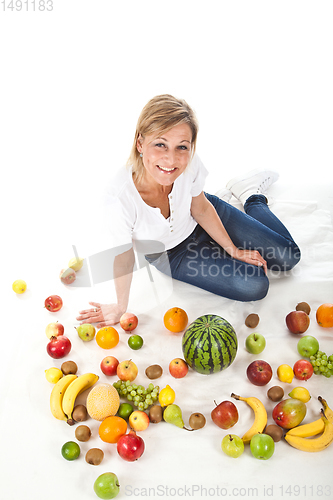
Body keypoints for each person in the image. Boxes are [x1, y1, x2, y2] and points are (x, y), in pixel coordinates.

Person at [76, 94, 300, 327]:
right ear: (140, 143)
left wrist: (233, 250)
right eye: (160, 144)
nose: (171, 159)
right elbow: (123, 257)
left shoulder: (189, 163)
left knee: (289, 256)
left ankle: (251, 196)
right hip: (174, 253)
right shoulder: (118, 198)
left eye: (181, 147)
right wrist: (120, 307)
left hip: (202, 213)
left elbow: (201, 207)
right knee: (255, 284)